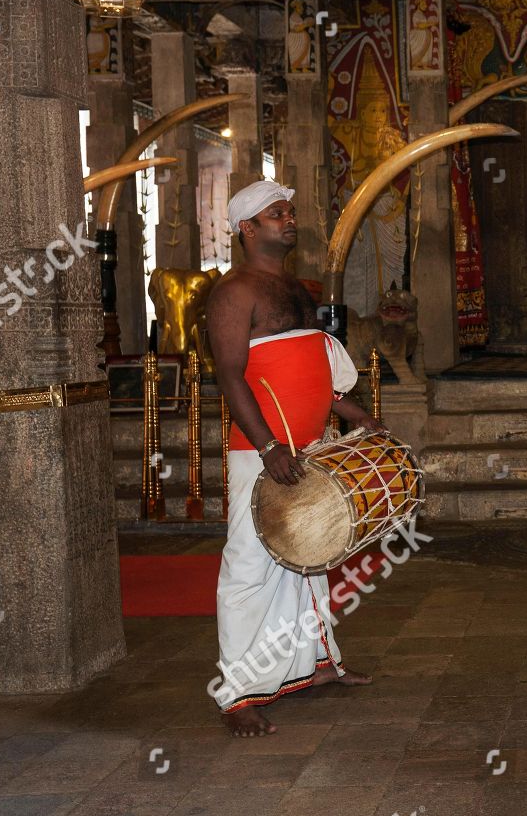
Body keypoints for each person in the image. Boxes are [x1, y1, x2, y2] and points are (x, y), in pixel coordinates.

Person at [207, 179, 381, 736]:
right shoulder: (234, 293)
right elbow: (230, 378)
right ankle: (238, 694)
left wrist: (356, 416)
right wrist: (267, 446)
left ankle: (314, 666)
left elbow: (313, 372)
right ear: (247, 229)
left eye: (291, 211)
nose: (290, 219)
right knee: (250, 569)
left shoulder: (297, 289)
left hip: (305, 448)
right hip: (263, 454)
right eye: (276, 213)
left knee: (306, 563)